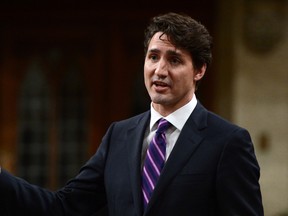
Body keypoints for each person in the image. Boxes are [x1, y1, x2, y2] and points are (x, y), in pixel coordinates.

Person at [0, 12, 264, 216]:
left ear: (199, 70)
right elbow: (63, 207)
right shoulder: (119, 136)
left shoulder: (228, 142)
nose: (160, 70)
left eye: (174, 60)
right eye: (153, 57)